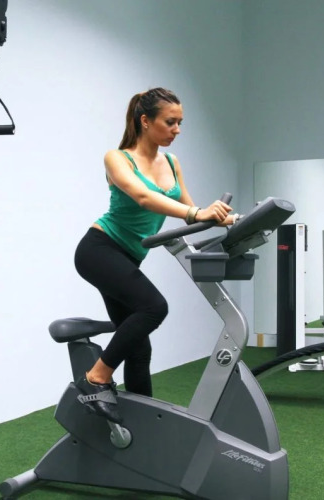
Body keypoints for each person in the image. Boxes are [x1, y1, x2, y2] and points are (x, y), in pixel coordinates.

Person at [72, 88, 238, 423]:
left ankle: (141, 426)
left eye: (180, 123)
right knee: (154, 307)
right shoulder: (118, 158)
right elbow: (143, 197)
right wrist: (197, 213)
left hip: (129, 258)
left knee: (139, 348)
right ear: (145, 121)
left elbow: (189, 210)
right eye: (170, 122)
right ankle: (96, 378)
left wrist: (222, 216)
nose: (177, 129)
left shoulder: (172, 163)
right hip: (100, 250)